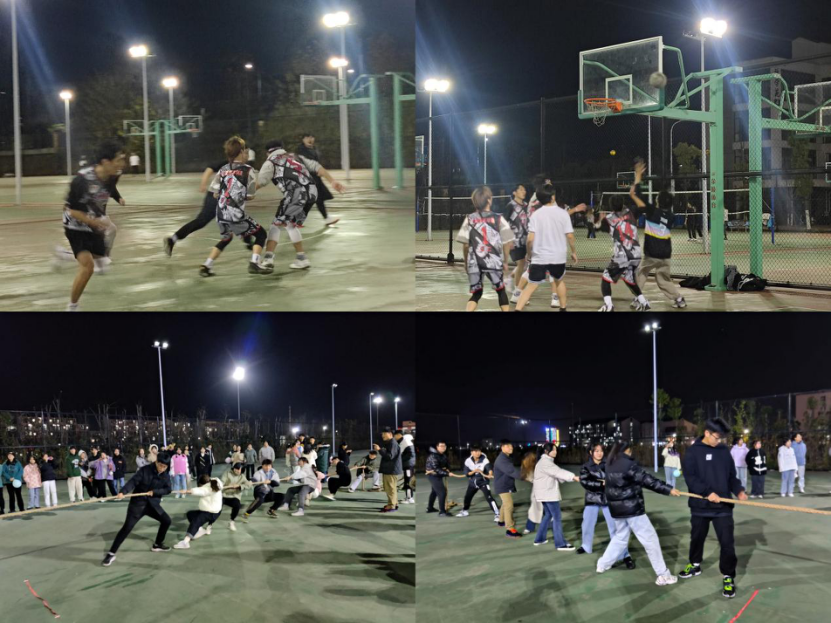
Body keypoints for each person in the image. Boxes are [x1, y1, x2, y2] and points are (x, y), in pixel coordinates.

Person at [680, 417, 748, 599]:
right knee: (697, 538)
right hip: (700, 506)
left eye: (721, 438)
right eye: (716, 437)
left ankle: (728, 575)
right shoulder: (693, 452)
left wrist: (739, 490)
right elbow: (690, 478)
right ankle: (695, 564)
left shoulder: (724, 451)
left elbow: (731, 476)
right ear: (707, 433)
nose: (719, 441)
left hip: (723, 507)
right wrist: (707, 492)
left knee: (727, 543)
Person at [596, 442, 680, 586]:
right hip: (632, 509)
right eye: (630, 450)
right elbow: (647, 480)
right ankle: (663, 575)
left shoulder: (610, 463)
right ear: (627, 450)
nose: (631, 453)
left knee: (620, 537)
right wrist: (668, 489)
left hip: (617, 509)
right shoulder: (628, 464)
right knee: (650, 540)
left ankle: (602, 564)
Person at [256, 139, 346, 271]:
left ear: (267, 153)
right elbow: (317, 167)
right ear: (282, 148)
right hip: (312, 193)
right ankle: (293, 258)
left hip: (295, 194)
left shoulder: (270, 162)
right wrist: (332, 181)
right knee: (288, 224)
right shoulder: (296, 157)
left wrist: (242, 194)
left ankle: (278, 259)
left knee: (279, 225)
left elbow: (260, 183)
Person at [62, 140, 126, 311]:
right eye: (119, 160)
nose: (122, 164)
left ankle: (64, 255)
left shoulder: (112, 176)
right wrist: (94, 222)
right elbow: (71, 211)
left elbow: (110, 190)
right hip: (75, 225)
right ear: (106, 162)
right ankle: (72, 307)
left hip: (94, 223)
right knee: (87, 267)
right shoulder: (82, 180)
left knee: (101, 257)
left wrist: (118, 199)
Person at [199, 136, 270, 277]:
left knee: (226, 238)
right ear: (241, 152)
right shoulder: (248, 170)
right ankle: (255, 262)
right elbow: (250, 195)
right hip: (235, 213)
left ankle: (207, 265)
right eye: (245, 151)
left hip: (220, 212)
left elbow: (214, 193)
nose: (246, 154)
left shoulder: (223, 169)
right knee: (261, 234)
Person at [515, 184, 583, 312]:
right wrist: (574, 252)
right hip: (558, 256)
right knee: (559, 281)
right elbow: (570, 236)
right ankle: (563, 308)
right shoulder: (563, 214)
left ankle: (517, 309)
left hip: (540, 256)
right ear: (553, 197)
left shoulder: (536, 215)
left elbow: (530, 239)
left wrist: (529, 254)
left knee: (531, 285)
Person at [630, 160, 687, 309]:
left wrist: (638, 176)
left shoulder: (652, 211)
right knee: (663, 280)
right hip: (666, 254)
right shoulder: (671, 217)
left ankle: (638, 299)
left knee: (641, 273)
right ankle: (679, 299)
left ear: (658, 202)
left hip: (652, 253)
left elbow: (638, 195)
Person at [102, 452, 173, 566]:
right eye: (161, 465)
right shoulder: (145, 470)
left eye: (165, 467)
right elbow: (133, 482)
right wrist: (123, 492)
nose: (162, 469)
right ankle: (111, 553)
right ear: (156, 462)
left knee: (166, 520)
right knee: (127, 528)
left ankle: (158, 544)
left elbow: (168, 489)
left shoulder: (165, 475)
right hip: (138, 505)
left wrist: (155, 492)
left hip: (153, 505)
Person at [456, 186, 515, 311]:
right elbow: (507, 242)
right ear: (489, 200)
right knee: (501, 291)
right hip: (493, 261)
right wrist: (505, 261)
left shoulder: (469, 219)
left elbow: (465, 245)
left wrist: (466, 262)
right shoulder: (498, 218)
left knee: (476, 294)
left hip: (475, 262)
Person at [577, 443, 634, 568]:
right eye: (596, 451)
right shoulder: (586, 467)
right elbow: (585, 482)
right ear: (591, 453)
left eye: (601, 451)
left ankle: (624, 555)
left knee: (615, 528)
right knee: (587, 525)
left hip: (608, 498)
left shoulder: (609, 464)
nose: (599, 453)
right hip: (592, 499)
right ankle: (586, 546)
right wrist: (601, 484)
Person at [596, 194, 650, 312]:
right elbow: (643, 207)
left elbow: (595, 227)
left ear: (611, 206)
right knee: (629, 279)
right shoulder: (631, 212)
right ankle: (644, 302)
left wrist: (598, 220)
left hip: (622, 255)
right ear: (622, 203)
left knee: (606, 278)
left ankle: (609, 306)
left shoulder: (608, 219)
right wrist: (634, 195)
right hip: (636, 254)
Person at [164, 160, 227, 256]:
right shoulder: (227, 162)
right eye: (245, 153)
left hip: (225, 197)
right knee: (201, 221)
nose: (247, 156)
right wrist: (203, 183)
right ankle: (173, 239)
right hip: (215, 195)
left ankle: (249, 243)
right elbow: (210, 169)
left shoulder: (244, 167)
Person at [532, 443, 581, 550]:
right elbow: (558, 472)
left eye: (556, 450)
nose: (556, 452)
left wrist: (570, 478)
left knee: (548, 515)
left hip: (544, 494)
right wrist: (573, 477)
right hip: (548, 494)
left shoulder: (545, 462)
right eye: (554, 450)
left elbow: (556, 474)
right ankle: (560, 543)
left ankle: (540, 539)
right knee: (557, 517)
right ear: (546, 451)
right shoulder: (545, 462)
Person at [296, 132, 340, 226]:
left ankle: (297, 220)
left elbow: (316, 163)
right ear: (303, 139)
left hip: (315, 177)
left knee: (312, 200)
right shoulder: (300, 151)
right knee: (317, 198)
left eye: (312, 137)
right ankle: (326, 218)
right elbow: (308, 165)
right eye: (307, 137)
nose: (310, 139)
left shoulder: (314, 149)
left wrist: (319, 171)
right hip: (307, 178)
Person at [174, 474, 224, 549]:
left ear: (202, 484)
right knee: (190, 514)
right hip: (215, 512)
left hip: (210, 512)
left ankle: (185, 542)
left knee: (196, 521)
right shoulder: (215, 483)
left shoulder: (207, 488)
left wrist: (186, 491)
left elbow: (199, 491)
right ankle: (200, 529)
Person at [457, 445, 499, 520]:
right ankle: (465, 511)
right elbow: (466, 473)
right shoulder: (468, 461)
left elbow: (489, 468)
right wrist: (474, 471)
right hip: (472, 483)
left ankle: (497, 514)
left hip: (483, 482)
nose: (478, 453)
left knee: (489, 497)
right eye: (475, 451)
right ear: (472, 452)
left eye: (479, 451)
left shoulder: (485, 460)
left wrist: (490, 474)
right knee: (467, 497)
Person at [493, 440, 524, 538]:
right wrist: (525, 476)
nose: (511, 448)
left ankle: (501, 521)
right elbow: (512, 471)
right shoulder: (502, 459)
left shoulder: (505, 457)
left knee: (505, 504)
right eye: (507, 446)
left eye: (511, 446)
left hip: (504, 484)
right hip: (503, 486)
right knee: (509, 505)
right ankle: (510, 529)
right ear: (502, 447)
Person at [505, 184, 529, 303]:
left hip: (527, 240)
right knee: (521, 264)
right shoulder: (510, 206)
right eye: (521, 189)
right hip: (515, 241)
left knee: (525, 265)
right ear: (514, 192)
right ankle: (517, 292)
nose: (524, 191)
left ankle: (510, 279)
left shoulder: (527, 205)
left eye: (524, 189)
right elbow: (504, 224)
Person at [425, 442, 464, 517]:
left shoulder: (443, 455)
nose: (443, 447)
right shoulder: (433, 456)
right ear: (437, 447)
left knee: (434, 491)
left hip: (438, 475)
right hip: (433, 475)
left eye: (444, 446)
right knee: (442, 492)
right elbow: (436, 469)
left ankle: (430, 508)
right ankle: (442, 512)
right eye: (441, 446)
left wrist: (448, 469)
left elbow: (447, 465)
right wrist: (447, 473)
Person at [375, 427, 403, 513]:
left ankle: (392, 506)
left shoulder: (392, 443)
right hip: (389, 469)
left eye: (384, 433)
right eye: (382, 434)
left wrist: (379, 450)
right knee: (391, 488)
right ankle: (394, 503)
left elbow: (389, 456)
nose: (382, 435)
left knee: (390, 488)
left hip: (391, 470)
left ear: (390, 434)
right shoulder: (390, 443)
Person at [220, 463, 253, 531]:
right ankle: (210, 524)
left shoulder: (242, 477)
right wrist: (222, 486)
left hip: (235, 496)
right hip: (224, 495)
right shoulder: (227, 473)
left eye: (239, 469)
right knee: (217, 509)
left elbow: (248, 485)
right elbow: (222, 482)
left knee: (237, 505)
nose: (237, 470)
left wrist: (240, 486)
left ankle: (232, 521)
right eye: (236, 468)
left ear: (242, 470)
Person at [396, 430, 417, 505]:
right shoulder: (406, 441)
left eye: (395, 435)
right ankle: (409, 497)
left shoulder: (405, 442)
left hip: (408, 465)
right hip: (408, 465)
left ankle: (409, 498)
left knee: (408, 481)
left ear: (399, 435)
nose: (395, 437)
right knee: (407, 481)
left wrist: (401, 460)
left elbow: (410, 454)